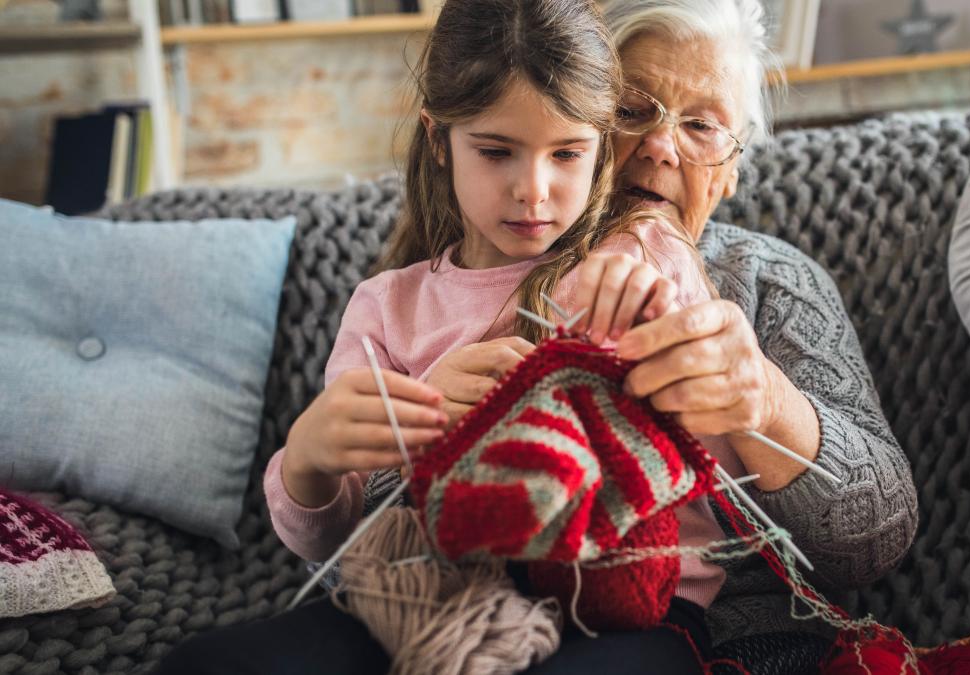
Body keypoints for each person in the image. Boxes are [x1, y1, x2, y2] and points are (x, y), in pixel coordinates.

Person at [153, 1, 728, 673]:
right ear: (437, 139)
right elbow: (330, 533)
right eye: (495, 151)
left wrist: (665, 338)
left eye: (567, 153)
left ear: (601, 148)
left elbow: (714, 442)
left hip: (631, 603)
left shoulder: (637, 256)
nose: (533, 191)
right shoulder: (390, 307)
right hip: (437, 594)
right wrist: (312, 457)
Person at [424, 0, 920, 649]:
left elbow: (876, 540)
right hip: (485, 624)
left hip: (717, 641)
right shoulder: (494, 254)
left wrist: (766, 403)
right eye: (632, 111)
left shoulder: (769, 281)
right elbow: (374, 527)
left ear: (734, 167)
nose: (661, 146)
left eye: (703, 126)